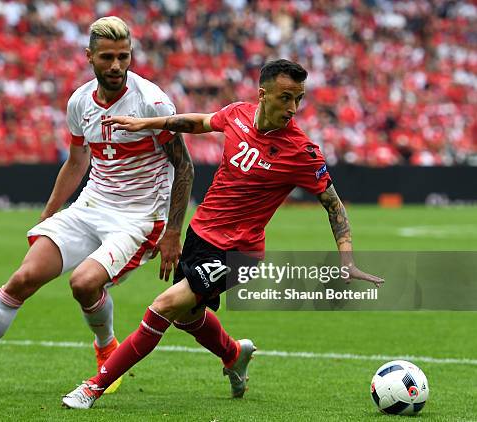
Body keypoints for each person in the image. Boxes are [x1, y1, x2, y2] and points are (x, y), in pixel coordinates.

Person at [61, 59, 384, 409]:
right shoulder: (238, 114)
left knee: (164, 307)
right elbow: (196, 122)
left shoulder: (302, 152)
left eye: (299, 99)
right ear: (264, 95)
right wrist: (144, 123)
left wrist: (347, 258)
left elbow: (334, 205)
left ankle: (93, 387)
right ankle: (233, 354)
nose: (292, 108)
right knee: (187, 315)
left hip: (238, 253)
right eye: (285, 97)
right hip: (200, 236)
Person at [0, 16, 194, 394]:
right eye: (107, 57)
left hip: (138, 218)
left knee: (83, 284)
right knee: (22, 278)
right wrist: (50, 214)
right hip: (91, 204)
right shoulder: (79, 102)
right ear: (89, 56)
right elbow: (77, 162)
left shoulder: (151, 101)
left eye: (124, 57)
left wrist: (174, 231)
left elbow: (184, 164)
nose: (116, 66)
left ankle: (106, 346)